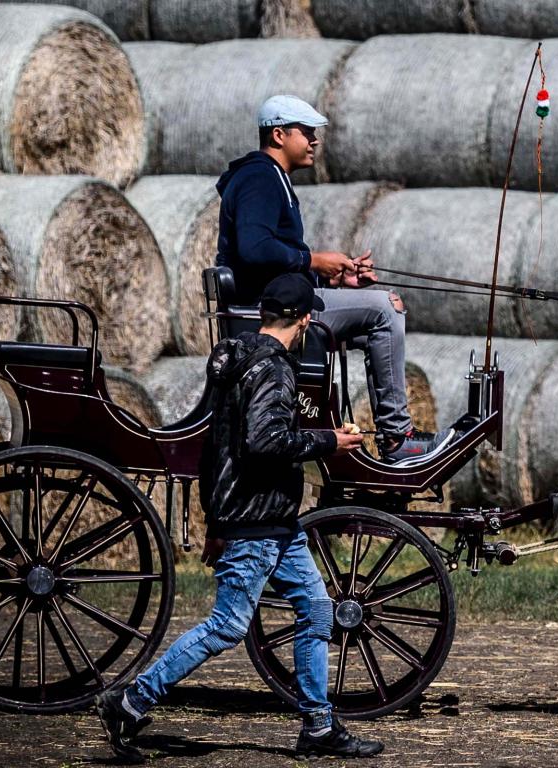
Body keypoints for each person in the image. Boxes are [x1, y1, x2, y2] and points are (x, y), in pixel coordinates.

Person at [95, 274, 384, 761]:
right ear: (304, 320)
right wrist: (330, 440)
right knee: (226, 627)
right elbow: (264, 442)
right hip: (256, 519)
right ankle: (128, 702)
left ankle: (318, 726)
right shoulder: (273, 370)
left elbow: (215, 448)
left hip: (274, 521)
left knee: (315, 611)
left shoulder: (236, 359)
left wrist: (213, 519)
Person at [215, 94, 440, 464]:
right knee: (386, 309)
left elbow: (271, 264)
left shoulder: (269, 177)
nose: (315, 141)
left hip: (280, 301)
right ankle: (397, 437)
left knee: (376, 325)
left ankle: (386, 436)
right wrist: (314, 260)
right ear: (278, 135)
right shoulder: (259, 177)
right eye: (306, 132)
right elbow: (255, 249)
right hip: (270, 313)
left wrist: (334, 284)